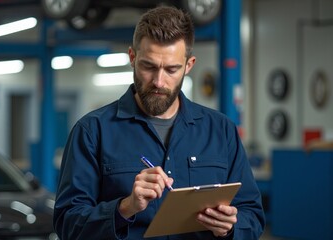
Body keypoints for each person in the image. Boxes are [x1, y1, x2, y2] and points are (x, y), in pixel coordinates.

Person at [54, 6, 265, 239]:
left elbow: (252, 216)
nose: (159, 81)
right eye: (149, 66)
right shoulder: (92, 132)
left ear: (189, 65)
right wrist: (125, 208)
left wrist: (231, 226)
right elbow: (67, 224)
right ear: (132, 58)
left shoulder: (221, 130)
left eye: (172, 69)